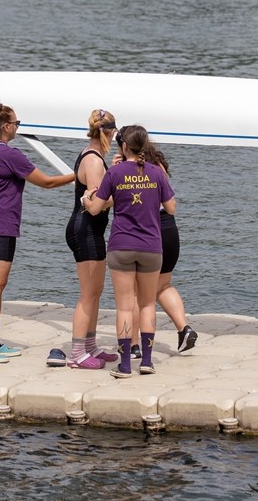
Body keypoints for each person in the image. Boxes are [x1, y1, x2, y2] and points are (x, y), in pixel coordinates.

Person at [0, 98, 74, 365]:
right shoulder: (9, 154)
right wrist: (76, 175)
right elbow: (46, 182)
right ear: (7, 126)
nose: (18, 127)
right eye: (17, 123)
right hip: (1, 225)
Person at [83, 125, 175, 378]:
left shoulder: (114, 172)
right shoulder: (156, 173)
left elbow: (95, 209)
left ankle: (124, 364)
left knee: (125, 306)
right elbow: (171, 207)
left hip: (121, 245)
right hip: (151, 246)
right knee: (147, 304)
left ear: (124, 146)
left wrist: (85, 198)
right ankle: (147, 360)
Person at [122, 137, 197, 356]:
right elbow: (170, 204)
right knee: (163, 285)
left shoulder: (129, 169)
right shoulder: (159, 166)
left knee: (137, 292)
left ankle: (134, 345)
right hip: (170, 230)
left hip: (149, 231)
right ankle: (184, 328)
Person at [58, 109, 120, 369]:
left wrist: (114, 173)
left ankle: (90, 346)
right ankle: (76, 354)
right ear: (108, 133)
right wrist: (125, 191)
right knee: (87, 294)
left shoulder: (92, 155)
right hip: (85, 229)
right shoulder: (93, 160)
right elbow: (97, 203)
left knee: (96, 292)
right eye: (114, 133)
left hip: (89, 230)